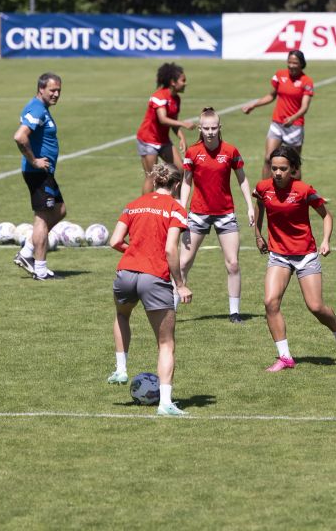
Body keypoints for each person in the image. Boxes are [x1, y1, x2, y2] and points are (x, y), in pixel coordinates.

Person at [253, 146, 336, 371]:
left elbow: (326, 215)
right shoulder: (263, 188)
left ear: (293, 170)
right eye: (274, 168)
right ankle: (285, 357)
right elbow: (259, 205)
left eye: (283, 169)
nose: (277, 173)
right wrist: (258, 234)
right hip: (279, 255)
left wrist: (326, 240)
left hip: (306, 256)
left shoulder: (303, 190)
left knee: (316, 307)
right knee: (270, 302)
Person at [107, 164, 193, 416]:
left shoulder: (133, 203)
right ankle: (165, 403)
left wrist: (135, 252)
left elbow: (114, 241)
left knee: (122, 315)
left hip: (125, 274)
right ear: (176, 185)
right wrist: (180, 284)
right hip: (153, 277)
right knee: (165, 343)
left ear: (155, 182)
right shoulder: (176, 208)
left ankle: (121, 369)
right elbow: (170, 249)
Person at [179, 108, 255, 323]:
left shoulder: (230, 151)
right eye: (206, 128)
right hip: (198, 214)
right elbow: (186, 181)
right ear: (200, 129)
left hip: (225, 214)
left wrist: (249, 206)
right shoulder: (193, 152)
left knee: (232, 264)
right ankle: (171, 309)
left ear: (220, 128)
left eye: (214, 128)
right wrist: (182, 209)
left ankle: (234, 312)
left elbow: (242, 179)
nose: (210, 132)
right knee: (183, 263)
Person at [12, 73, 67, 281]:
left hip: (45, 173)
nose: (56, 94)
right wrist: (34, 160)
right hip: (37, 173)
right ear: (41, 88)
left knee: (60, 210)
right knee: (42, 219)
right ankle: (41, 270)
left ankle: (26, 252)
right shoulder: (36, 108)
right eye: (52, 90)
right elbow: (20, 136)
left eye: (59, 91)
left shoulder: (41, 109)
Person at [242, 50, 314, 179]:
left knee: (294, 164)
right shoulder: (279, 75)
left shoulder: (306, 81)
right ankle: (264, 193)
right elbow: (271, 96)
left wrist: (293, 118)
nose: (291, 65)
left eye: (295, 62)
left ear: (301, 64)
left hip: (294, 127)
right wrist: (253, 105)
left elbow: (304, 107)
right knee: (268, 158)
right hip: (277, 124)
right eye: (289, 62)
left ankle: (297, 195)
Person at [136, 62, 195, 195]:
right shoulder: (159, 97)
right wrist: (184, 124)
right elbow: (163, 119)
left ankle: (176, 205)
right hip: (148, 140)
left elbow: (172, 123)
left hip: (163, 140)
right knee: (151, 177)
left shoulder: (176, 99)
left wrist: (181, 136)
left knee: (180, 170)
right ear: (173, 82)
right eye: (183, 80)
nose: (185, 83)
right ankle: (146, 210)